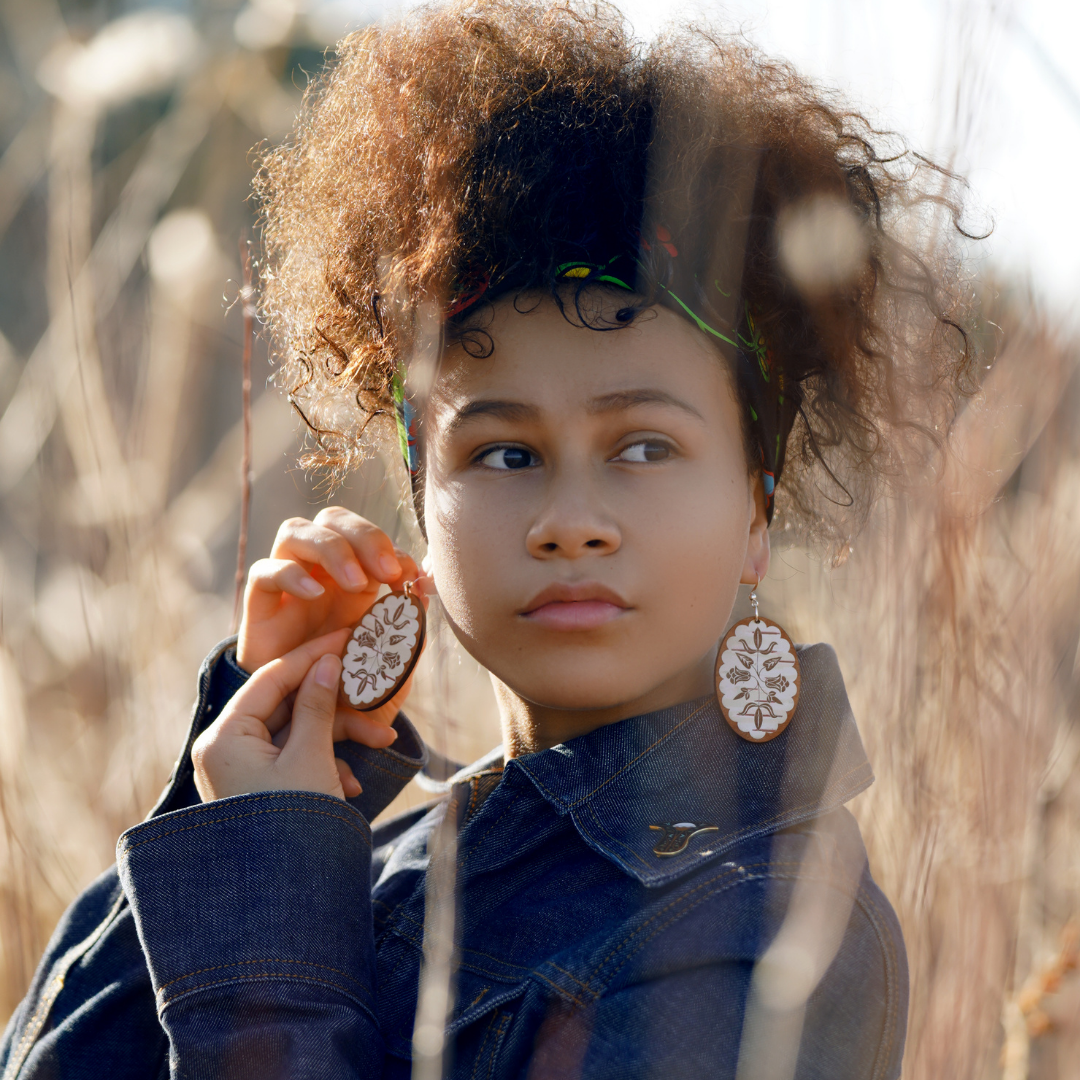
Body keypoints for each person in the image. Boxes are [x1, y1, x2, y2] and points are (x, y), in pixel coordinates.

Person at [0, 2, 976, 1076]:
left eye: (644, 447)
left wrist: (272, 933)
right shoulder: (390, 858)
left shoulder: (775, 931)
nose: (569, 523)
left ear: (758, 501)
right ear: (422, 500)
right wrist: (259, 804)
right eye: (504, 454)